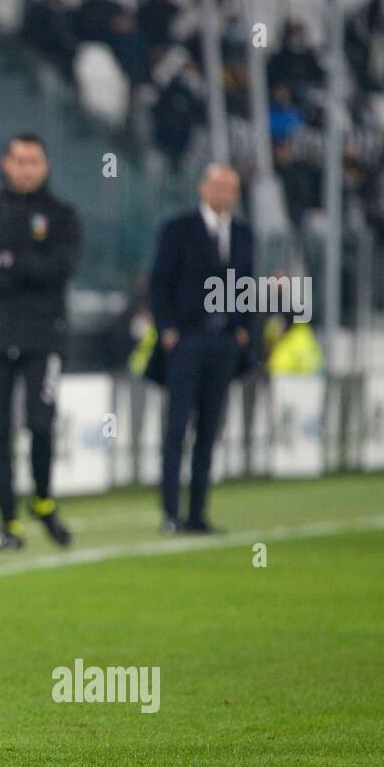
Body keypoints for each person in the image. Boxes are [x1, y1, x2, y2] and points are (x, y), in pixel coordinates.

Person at [0, 133, 81, 551]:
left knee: (41, 423)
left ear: (44, 165)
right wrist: (29, 266)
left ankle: (44, 500)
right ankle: (9, 522)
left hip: (43, 339)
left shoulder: (63, 214)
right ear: (6, 163)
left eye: (34, 161)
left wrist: (10, 262)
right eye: (19, 160)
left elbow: (61, 269)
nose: (26, 168)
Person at [148, 164, 253, 534]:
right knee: (177, 429)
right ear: (203, 187)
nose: (225, 193)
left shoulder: (242, 233)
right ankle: (170, 513)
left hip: (223, 342)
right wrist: (167, 331)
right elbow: (158, 282)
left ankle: (197, 513)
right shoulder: (178, 229)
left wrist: (242, 330)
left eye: (231, 187)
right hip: (187, 340)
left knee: (209, 430)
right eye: (219, 185)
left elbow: (246, 285)